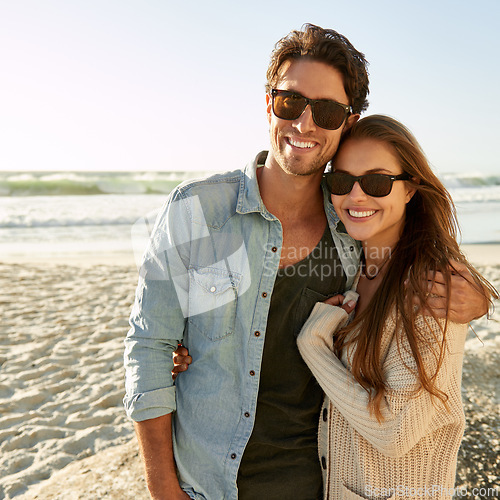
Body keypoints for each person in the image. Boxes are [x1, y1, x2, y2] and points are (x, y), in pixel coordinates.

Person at [124, 24, 487, 500]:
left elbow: (415, 246)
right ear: (268, 103)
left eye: (329, 110)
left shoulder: (355, 222)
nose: (305, 124)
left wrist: (475, 297)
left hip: (321, 484)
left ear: (349, 122)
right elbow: (149, 346)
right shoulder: (196, 210)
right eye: (291, 102)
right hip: (206, 486)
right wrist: (163, 491)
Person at [296, 115, 498, 499]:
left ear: (410, 190)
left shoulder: (430, 290)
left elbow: (394, 430)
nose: (356, 196)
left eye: (376, 182)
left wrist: (314, 346)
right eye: (341, 181)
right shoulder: (355, 269)